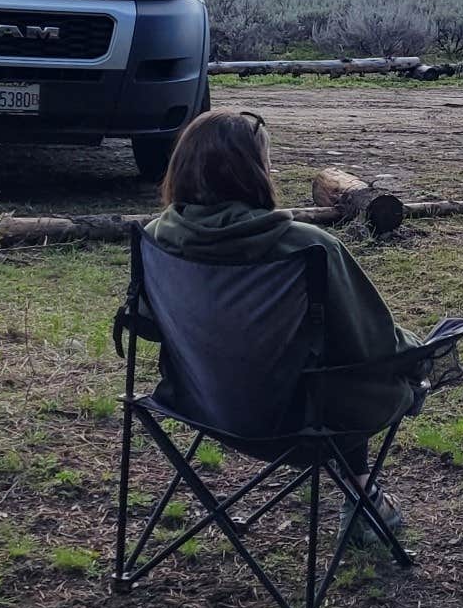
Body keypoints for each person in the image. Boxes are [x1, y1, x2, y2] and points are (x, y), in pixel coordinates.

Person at [145, 108, 413, 547]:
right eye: (266, 161)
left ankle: (363, 494)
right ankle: (364, 499)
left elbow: (147, 326)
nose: (271, 170)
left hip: (198, 401)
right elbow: (372, 344)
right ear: (252, 173)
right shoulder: (307, 246)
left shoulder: (157, 237)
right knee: (348, 372)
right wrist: (419, 350)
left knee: (325, 367)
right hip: (295, 420)